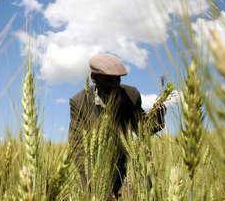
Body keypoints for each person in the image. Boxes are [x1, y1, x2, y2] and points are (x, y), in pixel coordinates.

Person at [68, 54, 166, 198]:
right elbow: (78, 147)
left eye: (118, 79)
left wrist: (157, 119)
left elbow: (142, 129)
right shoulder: (79, 102)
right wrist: (96, 185)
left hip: (124, 168)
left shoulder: (131, 95)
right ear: (94, 78)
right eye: (108, 79)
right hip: (94, 169)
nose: (115, 84)